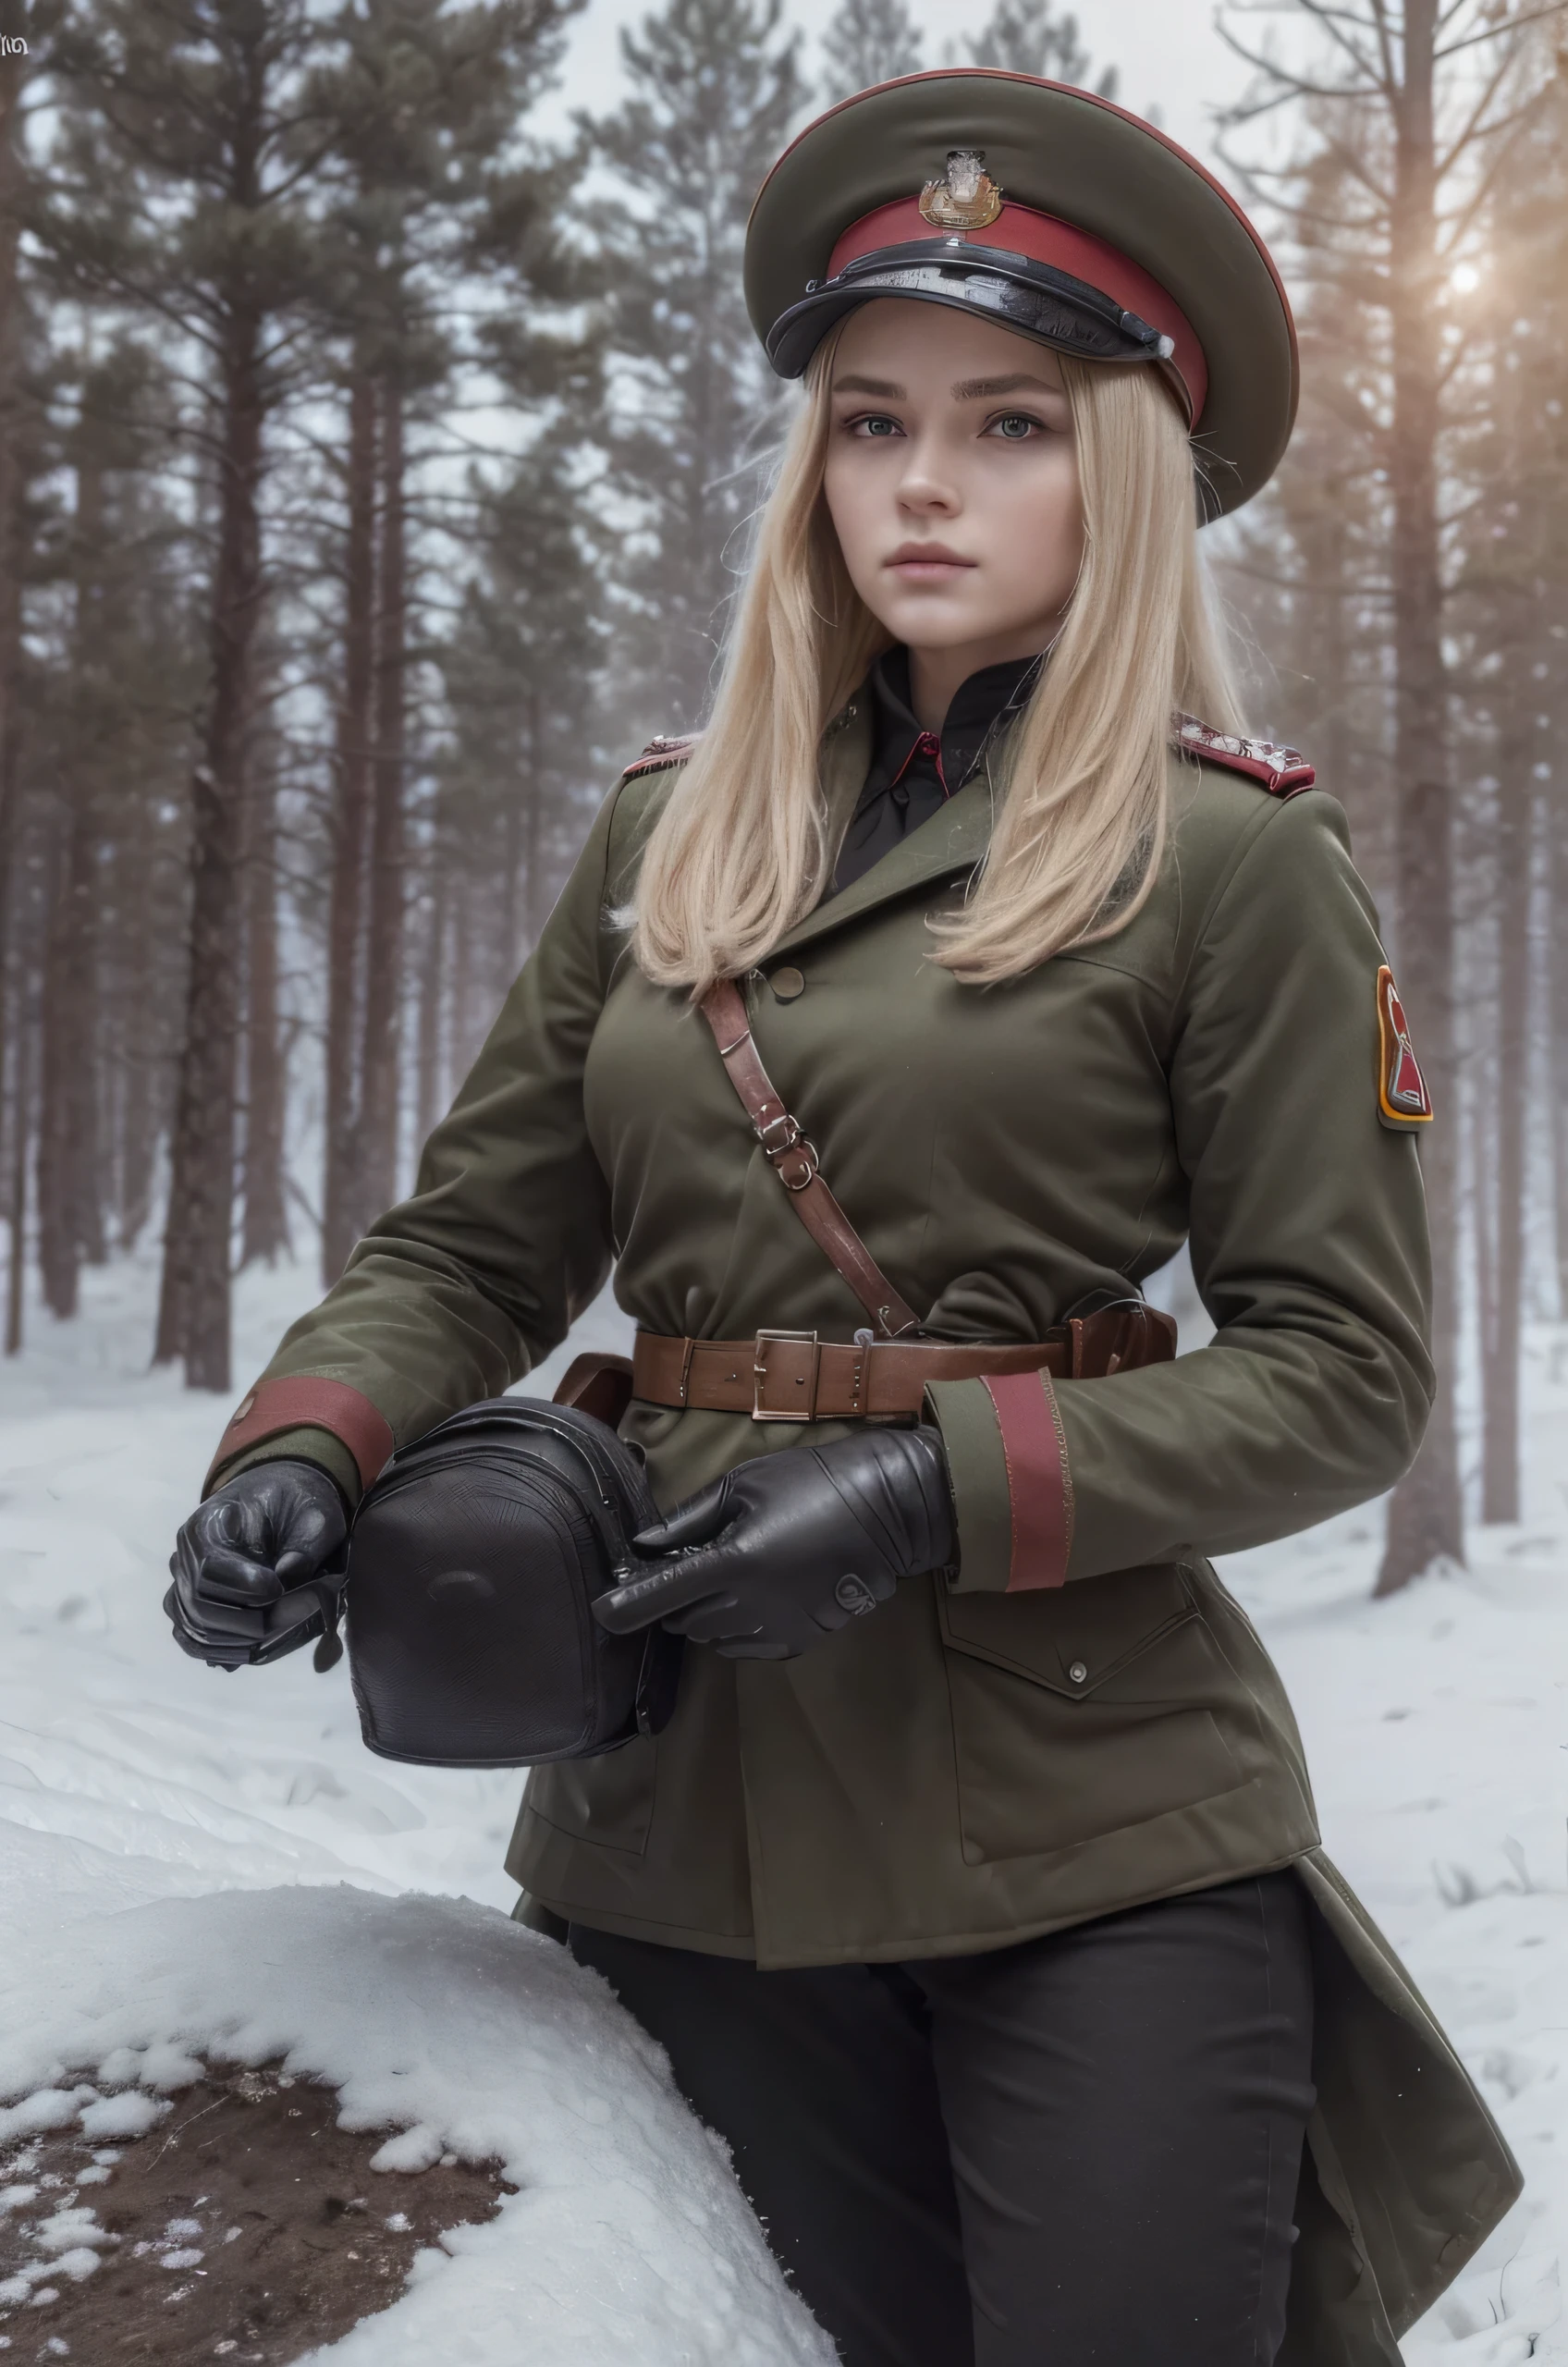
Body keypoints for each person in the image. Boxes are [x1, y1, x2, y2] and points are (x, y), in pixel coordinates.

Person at [167, 71, 1518, 2367]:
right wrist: (306, 1442)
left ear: (1120, 469)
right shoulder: (665, 843)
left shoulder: (1230, 861)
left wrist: (922, 1485)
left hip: (1086, 1810)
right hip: (674, 1787)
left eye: (1005, 423)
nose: (918, 479)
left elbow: (1340, 1371)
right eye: (870, 419)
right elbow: (477, 1239)